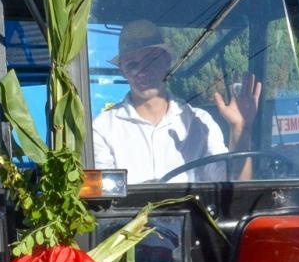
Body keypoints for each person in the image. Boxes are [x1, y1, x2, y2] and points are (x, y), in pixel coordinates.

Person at [92, 20, 259, 184]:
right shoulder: (102, 129)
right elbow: (105, 200)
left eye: (151, 61)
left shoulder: (199, 122)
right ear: (123, 71)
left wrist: (240, 128)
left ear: (167, 61)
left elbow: (235, 184)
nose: (142, 71)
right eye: (132, 65)